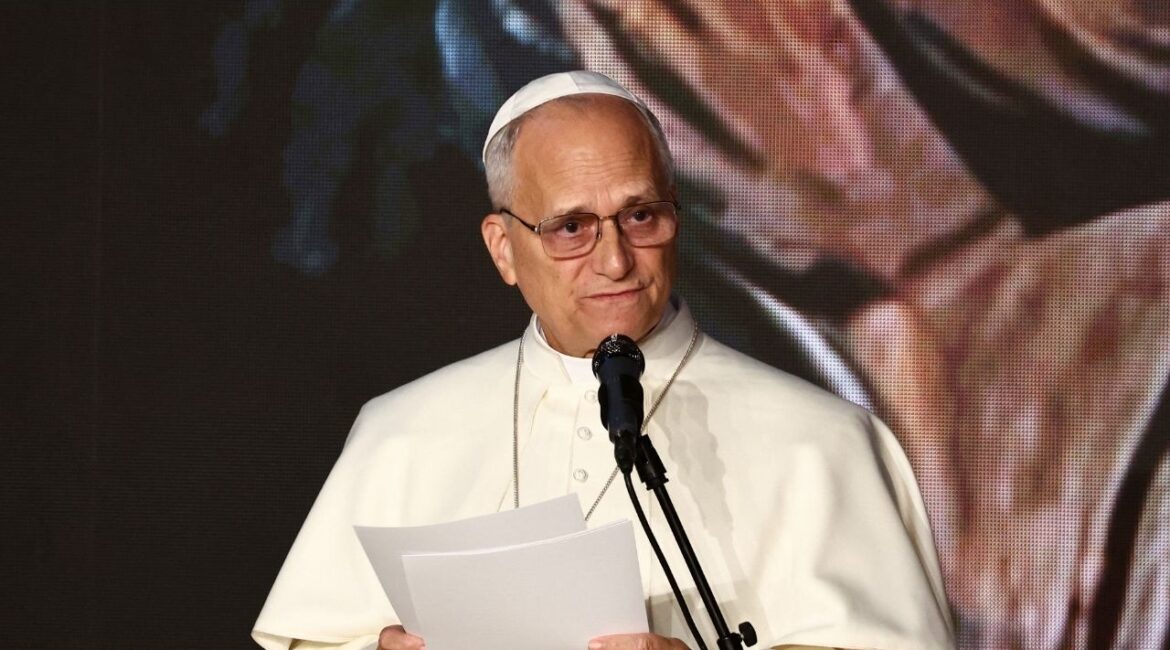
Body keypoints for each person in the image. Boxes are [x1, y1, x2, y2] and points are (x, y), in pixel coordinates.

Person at [252, 70, 956, 650]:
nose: (615, 259)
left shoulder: (821, 440)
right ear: (503, 247)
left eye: (641, 215)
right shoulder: (401, 432)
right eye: (571, 228)